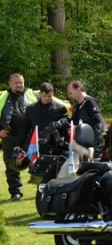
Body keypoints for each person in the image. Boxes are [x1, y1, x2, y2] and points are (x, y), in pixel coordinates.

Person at [1, 73, 38, 201]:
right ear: (9, 83)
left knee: (36, 163)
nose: (19, 85)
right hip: (10, 136)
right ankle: (15, 193)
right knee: (11, 166)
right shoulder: (2, 97)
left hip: (29, 136)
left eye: (21, 82)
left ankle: (41, 189)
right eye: (16, 83)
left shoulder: (32, 95)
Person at [17, 82, 70, 157]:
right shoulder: (31, 109)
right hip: (36, 145)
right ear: (40, 94)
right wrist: (19, 144)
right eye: (44, 96)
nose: (47, 98)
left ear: (53, 94)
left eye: (49, 96)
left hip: (54, 146)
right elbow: (25, 127)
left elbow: (66, 125)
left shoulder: (60, 108)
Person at [68, 80, 107, 160]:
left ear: (78, 89)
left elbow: (97, 117)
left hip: (94, 142)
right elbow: (73, 123)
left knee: (93, 164)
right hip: (82, 144)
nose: (70, 96)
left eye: (70, 93)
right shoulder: (77, 107)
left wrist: (82, 127)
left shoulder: (89, 102)